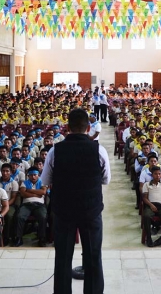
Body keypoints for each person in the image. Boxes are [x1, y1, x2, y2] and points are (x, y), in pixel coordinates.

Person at [40, 108, 111, 294]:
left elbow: (45, 181)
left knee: (63, 256)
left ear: (67, 127)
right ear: (88, 127)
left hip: (64, 211)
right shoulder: (99, 150)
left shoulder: (55, 151)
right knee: (93, 255)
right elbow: (106, 179)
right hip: (91, 209)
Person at [14, 167, 48, 247]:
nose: (33, 177)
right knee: (20, 216)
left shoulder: (42, 181)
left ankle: (42, 238)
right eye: (31, 175)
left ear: (38, 175)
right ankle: (18, 238)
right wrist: (36, 194)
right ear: (28, 176)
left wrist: (29, 190)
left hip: (39, 205)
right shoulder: (24, 183)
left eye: (35, 175)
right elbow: (23, 194)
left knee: (43, 217)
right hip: (26, 205)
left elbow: (43, 192)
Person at [141, 166, 161, 247]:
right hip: (150, 205)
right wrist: (151, 205)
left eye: (159, 174)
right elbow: (144, 198)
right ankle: (148, 236)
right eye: (155, 174)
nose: (157, 176)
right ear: (152, 175)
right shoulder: (147, 184)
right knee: (146, 216)